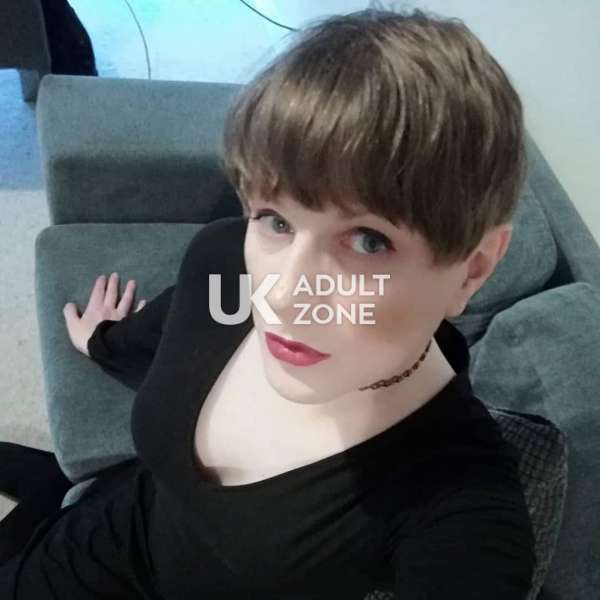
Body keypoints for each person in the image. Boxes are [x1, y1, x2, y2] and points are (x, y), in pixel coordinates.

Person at [0, 6, 536, 598]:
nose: (280, 295)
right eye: (276, 220)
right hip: (94, 535)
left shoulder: (457, 497)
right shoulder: (225, 264)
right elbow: (173, 330)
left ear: (472, 270)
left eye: (368, 241)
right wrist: (104, 341)